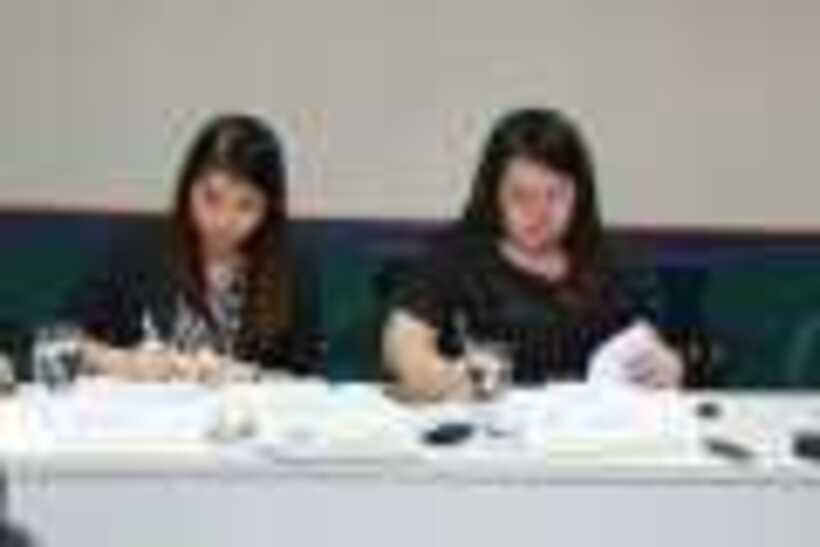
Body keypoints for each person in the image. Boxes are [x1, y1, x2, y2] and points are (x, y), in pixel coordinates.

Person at [382, 107, 682, 400]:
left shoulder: (619, 260)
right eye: (520, 196)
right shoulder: (456, 254)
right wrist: (442, 377)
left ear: (580, 194)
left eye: (555, 195)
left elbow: (655, 350)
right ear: (493, 194)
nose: (538, 213)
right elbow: (403, 346)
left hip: (591, 427)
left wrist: (668, 368)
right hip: (486, 423)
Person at [68, 113, 322, 382]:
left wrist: (248, 375)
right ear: (187, 189)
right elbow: (60, 340)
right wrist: (123, 362)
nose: (224, 221)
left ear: (269, 209)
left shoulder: (292, 265)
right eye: (211, 198)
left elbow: (310, 379)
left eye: (246, 206)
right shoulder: (139, 249)